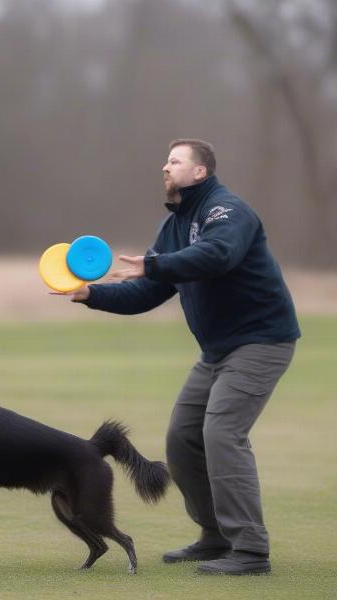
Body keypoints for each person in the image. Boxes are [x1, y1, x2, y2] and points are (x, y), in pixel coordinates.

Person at [69, 138, 300, 575]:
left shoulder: (227, 211)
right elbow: (147, 292)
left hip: (261, 341)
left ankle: (250, 550)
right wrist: (90, 295)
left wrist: (155, 265)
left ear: (200, 172)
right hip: (216, 351)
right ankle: (215, 536)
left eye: (175, 161)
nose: (165, 167)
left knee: (222, 434)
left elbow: (218, 254)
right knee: (182, 439)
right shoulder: (173, 227)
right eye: (165, 161)